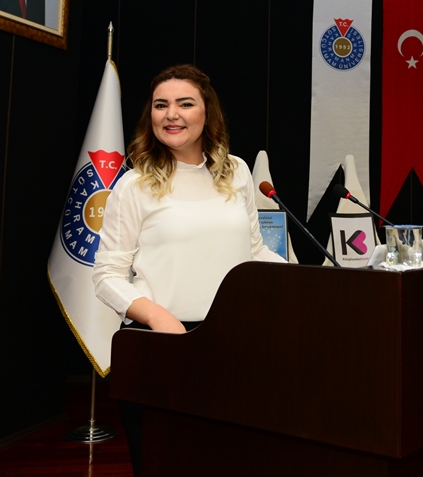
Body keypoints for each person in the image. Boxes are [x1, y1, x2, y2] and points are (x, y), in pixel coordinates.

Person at [93, 64, 283, 474]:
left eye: (185, 103)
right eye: (161, 105)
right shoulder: (133, 185)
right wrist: (160, 319)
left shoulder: (237, 172)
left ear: (207, 112)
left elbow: (254, 251)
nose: (171, 114)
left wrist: (302, 280)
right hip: (162, 346)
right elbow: (106, 275)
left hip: (235, 343)